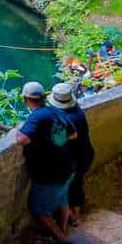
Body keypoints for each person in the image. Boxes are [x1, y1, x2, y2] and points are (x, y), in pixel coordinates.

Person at [16, 81, 81, 244]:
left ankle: (65, 243)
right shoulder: (57, 111)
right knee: (62, 199)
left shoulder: (36, 117)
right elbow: (73, 134)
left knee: (37, 209)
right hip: (68, 167)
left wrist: (21, 132)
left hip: (50, 174)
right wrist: (52, 140)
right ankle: (63, 230)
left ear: (25, 99)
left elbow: (21, 139)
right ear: (44, 98)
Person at [48, 82, 93, 226]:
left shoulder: (63, 118)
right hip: (86, 153)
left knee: (68, 187)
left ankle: (71, 218)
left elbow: (59, 141)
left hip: (73, 159)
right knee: (77, 184)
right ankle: (76, 215)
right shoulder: (78, 112)